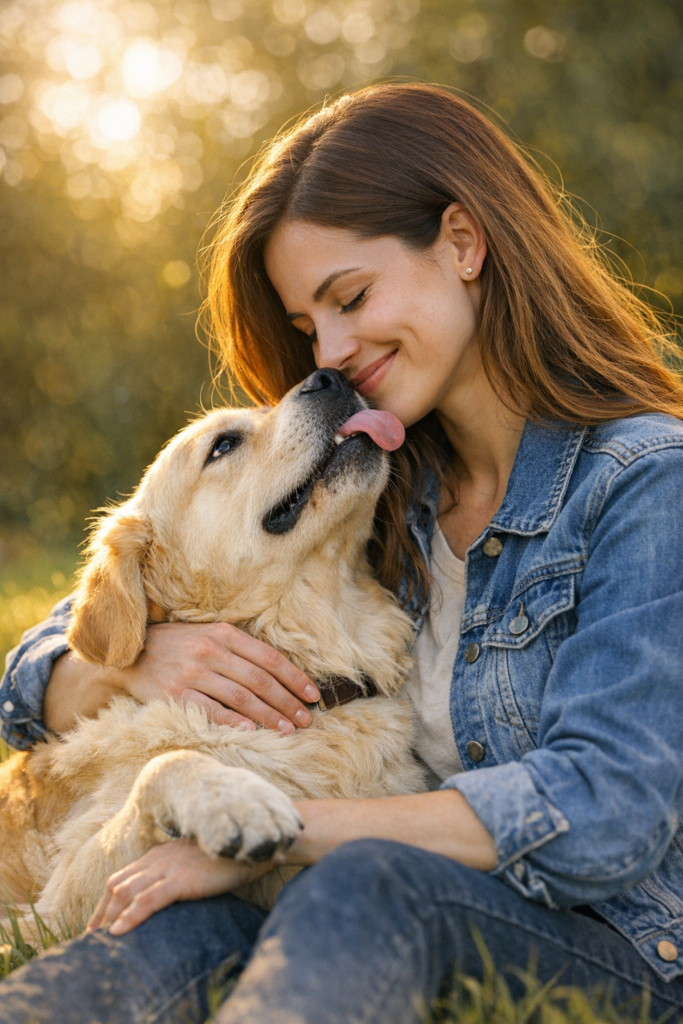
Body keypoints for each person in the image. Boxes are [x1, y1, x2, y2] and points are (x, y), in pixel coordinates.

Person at [2, 83, 683, 1024]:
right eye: (305, 326)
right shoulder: (384, 488)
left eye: (351, 298)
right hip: (363, 894)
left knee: (357, 881)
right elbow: (42, 661)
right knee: (170, 919)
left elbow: (603, 808)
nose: (329, 350)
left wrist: (281, 836)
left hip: (612, 943)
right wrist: (139, 660)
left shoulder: (644, 485)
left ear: (462, 242)